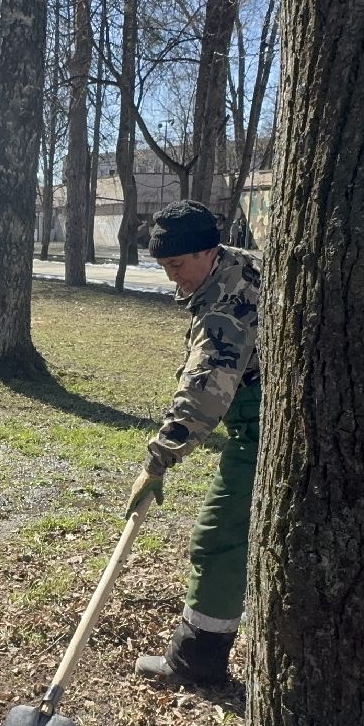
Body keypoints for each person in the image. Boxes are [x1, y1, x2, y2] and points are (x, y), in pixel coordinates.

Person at [125, 200, 263, 687]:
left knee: (218, 537)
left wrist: (159, 459)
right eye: (163, 267)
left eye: (178, 265)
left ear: (209, 252)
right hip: (282, 420)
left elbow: (205, 389)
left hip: (265, 430)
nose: (172, 277)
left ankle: (196, 661)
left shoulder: (227, 304)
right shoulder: (244, 265)